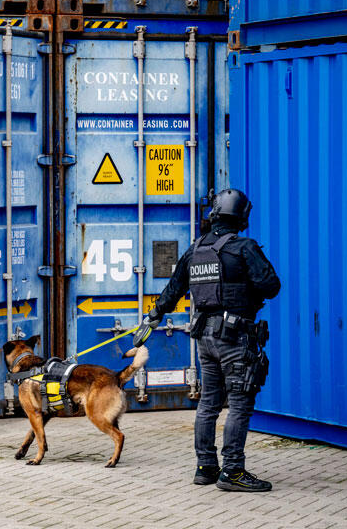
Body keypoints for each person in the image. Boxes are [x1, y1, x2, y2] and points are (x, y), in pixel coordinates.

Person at [134, 188, 280, 491]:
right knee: (239, 403)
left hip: (204, 338)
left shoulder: (195, 250)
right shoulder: (244, 247)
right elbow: (271, 286)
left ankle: (206, 467)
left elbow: (172, 291)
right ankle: (233, 472)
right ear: (241, 216)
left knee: (209, 403)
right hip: (235, 337)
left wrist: (153, 317)